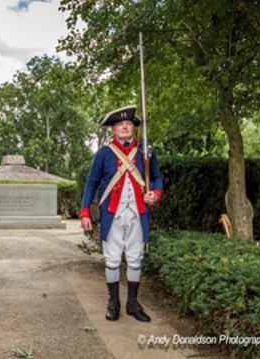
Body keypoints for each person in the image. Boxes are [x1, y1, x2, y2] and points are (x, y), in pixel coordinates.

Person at [80, 105, 162, 322]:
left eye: (129, 123)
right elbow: (91, 184)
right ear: (113, 129)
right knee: (113, 260)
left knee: (135, 260)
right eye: (120, 124)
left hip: (138, 213)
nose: (125, 126)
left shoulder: (145, 152)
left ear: (134, 128)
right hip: (112, 213)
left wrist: (155, 193)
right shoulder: (104, 154)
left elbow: (156, 178)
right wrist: (85, 211)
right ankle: (113, 302)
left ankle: (132, 304)